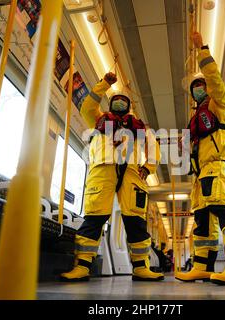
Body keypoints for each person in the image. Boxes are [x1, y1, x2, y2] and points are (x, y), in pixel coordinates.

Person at [59, 72, 164, 282]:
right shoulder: (98, 118)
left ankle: (141, 267)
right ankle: (82, 266)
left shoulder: (138, 127)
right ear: (110, 104)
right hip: (102, 170)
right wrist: (105, 84)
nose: (119, 103)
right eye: (115, 100)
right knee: (94, 217)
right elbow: (87, 105)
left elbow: (153, 145)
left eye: (123, 101)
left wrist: (149, 167)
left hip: (132, 174)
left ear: (129, 106)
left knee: (135, 220)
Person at [175, 32, 225, 285]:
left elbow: (215, 79)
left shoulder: (221, 102)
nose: (198, 89)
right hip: (202, 173)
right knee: (203, 223)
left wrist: (202, 51)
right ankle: (202, 267)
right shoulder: (197, 117)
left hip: (219, 165)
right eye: (194, 87)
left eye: (201, 84)